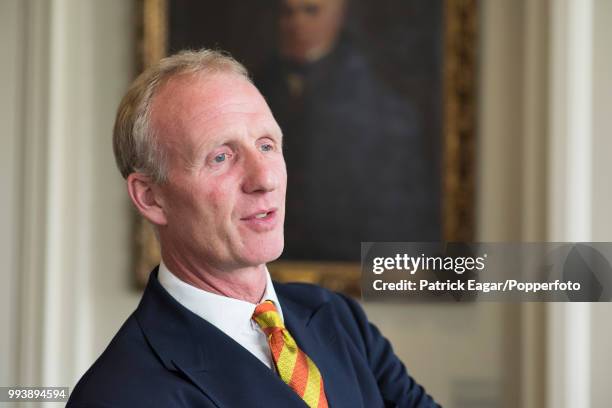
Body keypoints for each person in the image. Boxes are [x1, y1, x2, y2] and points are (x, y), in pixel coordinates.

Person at [67, 49, 439, 407]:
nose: (264, 179)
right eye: (221, 156)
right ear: (150, 197)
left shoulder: (338, 317)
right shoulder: (120, 395)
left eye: (266, 145)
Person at [256, 0, 441, 261]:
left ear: (338, 14)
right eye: (288, 13)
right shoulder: (253, 88)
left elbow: (401, 215)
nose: (297, 22)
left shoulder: (384, 108)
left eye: (310, 10)